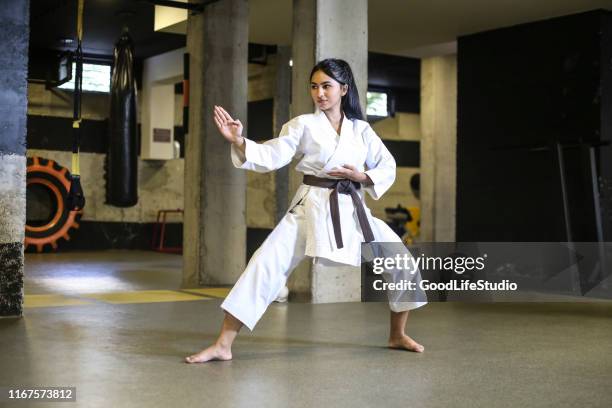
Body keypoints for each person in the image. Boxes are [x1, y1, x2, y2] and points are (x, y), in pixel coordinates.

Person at [185, 58, 426, 364]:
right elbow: (272, 154)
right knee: (265, 263)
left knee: (400, 259)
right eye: (314, 86)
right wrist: (240, 141)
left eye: (326, 86)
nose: (320, 93)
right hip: (310, 205)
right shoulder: (303, 125)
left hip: (351, 207)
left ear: (343, 89)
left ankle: (397, 334)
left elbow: (387, 165)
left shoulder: (361, 130)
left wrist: (362, 177)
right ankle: (223, 344)